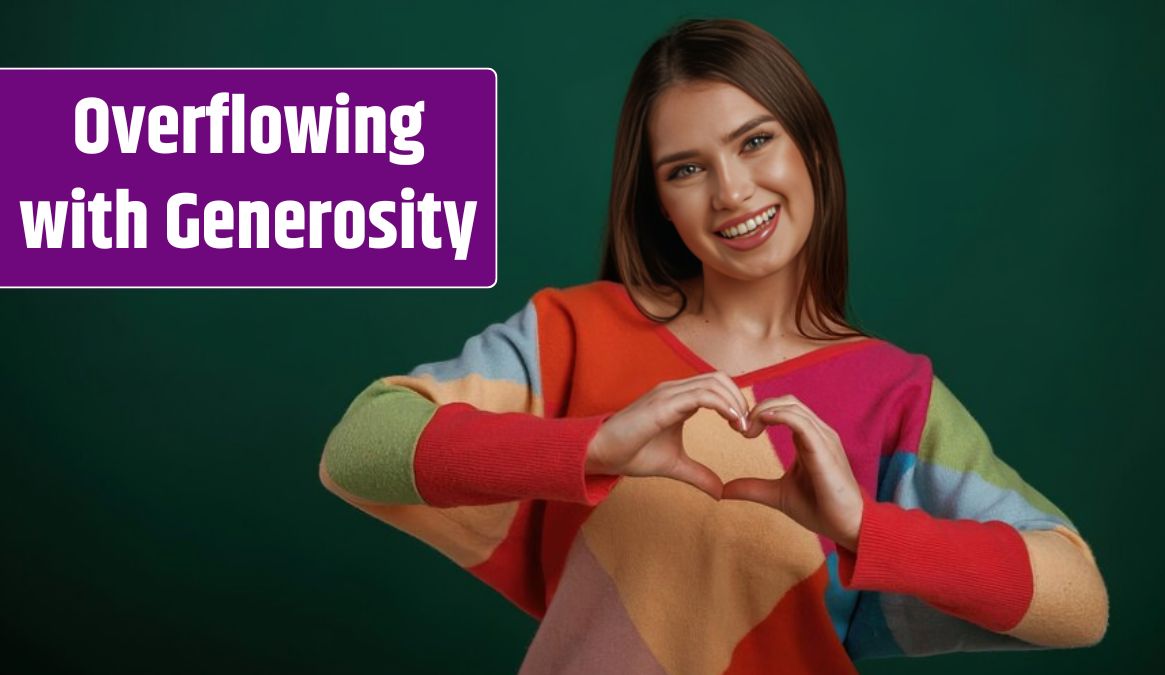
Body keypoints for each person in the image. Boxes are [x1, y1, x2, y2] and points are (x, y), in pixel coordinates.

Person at [319, 18, 1109, 674]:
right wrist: (595, 444)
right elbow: (357, 445)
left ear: (812, 147)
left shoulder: (893, 393)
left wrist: (864, 529)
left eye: (756, 141)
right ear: (659, 202)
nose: (732, 192)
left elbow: (1081, 600)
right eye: (687, 168)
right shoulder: (575, 331)